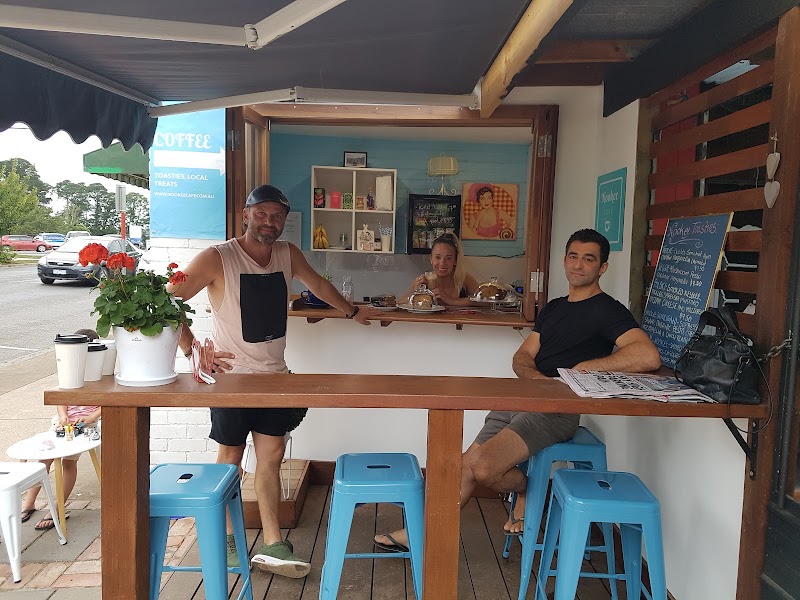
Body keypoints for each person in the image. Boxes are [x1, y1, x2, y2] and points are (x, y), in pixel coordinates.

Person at [374, 228, 661, 551]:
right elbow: (522, 356)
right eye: (573, 257)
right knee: (464, 464)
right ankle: (420, 531)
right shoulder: (554, 308)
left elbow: (647, 355)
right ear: (565, 260)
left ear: (602, 267)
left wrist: (583, 369)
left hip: (558, 410)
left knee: (482, 466)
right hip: (523, 396)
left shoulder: (607, 310)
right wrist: (537, 381)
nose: (578, 265)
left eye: (588, 259)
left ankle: (527, 489)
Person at [169, 184, 380, 579]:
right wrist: (192, 349)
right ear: (246, 215)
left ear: (285, 221)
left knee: (271, 458)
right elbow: (167, 300)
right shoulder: (218, 257)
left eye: (277, 215)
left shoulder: (287, 253)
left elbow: (318, 285)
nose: (269, 221)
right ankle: (226, 539)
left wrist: (353, 312)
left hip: (274, 379)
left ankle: (272, 541)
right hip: (231, 382)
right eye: (262, 213)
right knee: (230, 460)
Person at [21, 328, 102, 531]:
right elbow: (61, 397)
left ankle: (57, 508)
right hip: (63, 423)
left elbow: (107, 403)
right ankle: (29, 502)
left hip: (86, 426)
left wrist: (91, 417)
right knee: (44, 459)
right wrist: (63, 415)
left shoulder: (100, 374)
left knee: (68, 462)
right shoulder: (70, 370)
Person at [401, 233, 478, 306]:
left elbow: (484, 300)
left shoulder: (463, 279)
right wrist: (414, 295)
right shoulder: (423, 281)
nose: (442, 263)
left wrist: (452, 301)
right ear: (431, 259)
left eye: (448, 258)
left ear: (455, 260)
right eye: (437, 257)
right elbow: (398, 305)